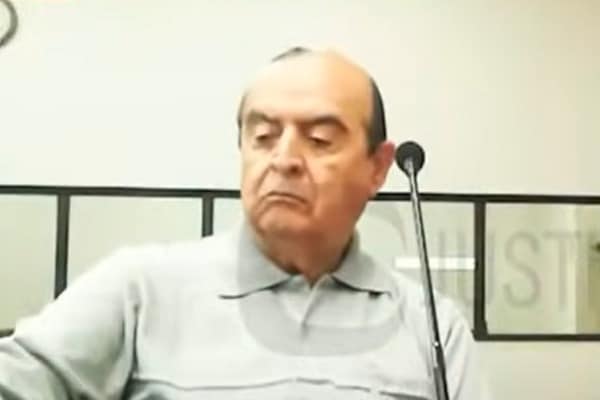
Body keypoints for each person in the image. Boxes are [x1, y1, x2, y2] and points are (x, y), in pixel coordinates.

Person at [0, 47, 491, 399]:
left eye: (319, 139)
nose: (284, 159)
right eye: (263, 136)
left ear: (378, 168)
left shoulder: (432, 325)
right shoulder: (140, 290)